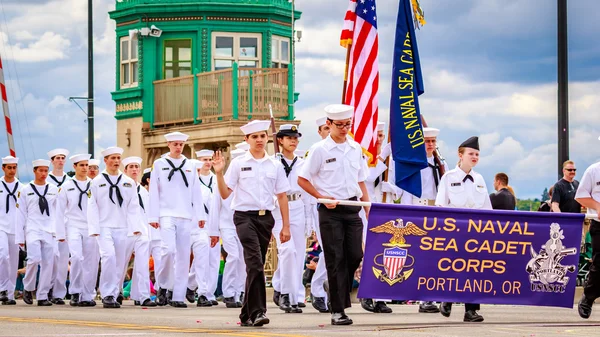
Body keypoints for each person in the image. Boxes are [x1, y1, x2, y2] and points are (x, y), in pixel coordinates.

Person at [213, 119, 291, 327]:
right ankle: (258, 312)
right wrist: (219, 173)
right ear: (246, 139)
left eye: (262, 136)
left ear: (267, 138)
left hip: (266, 218)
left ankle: (245, 313)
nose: (259, 140)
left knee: (254, 267)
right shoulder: (239, 163)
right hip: (243, 216)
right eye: (254, 136)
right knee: (255, 263)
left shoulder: (275, 164)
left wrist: (285, 226)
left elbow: (282, 196)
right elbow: (224, 193)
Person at [298, 104, 370, 326]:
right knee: (335, 258)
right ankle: (338, 310)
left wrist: (368, 208)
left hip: (352, 207)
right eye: (339, 125)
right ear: (328, 124)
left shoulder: (355, 148)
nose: (344, 129)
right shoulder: (320, 149)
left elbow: (361, 180)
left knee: (355, 255)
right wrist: (321, 197)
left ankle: (334, 287)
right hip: (330, 210)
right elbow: (302, 179)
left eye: (347, 124)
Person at [436, 136, 491, 322]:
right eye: (471, 153)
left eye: (477, 154)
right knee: (452, 267)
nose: (474, 157)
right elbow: (441, 206)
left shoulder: (480, 179)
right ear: (460, 155)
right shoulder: (448, 177)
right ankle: (446, 299)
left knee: (474, 270)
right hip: (454, 229)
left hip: (476, 231)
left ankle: (471, 310)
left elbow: (486, 208)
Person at [148, 132, 207, 308]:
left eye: (181, 144)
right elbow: (153, 190)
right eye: (175, 144)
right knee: (168, 250)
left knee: (183, 256)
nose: (178, 147)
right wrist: (153, 215)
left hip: (186, 214)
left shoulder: (189, 165)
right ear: (168, 145)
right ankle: (163, 286)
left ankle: (178, 295)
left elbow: (196, 191)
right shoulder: (159, 164)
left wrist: (200, 215)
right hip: (166, 213)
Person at [398, 126, 449, 314]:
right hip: (418, 211)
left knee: (434, 257)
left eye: (433, 141)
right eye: (427, 141)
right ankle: (421, 298)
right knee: (420, 256)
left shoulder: (441, 163)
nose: (430, 145)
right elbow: (407, 193)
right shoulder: (413, 164)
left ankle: (433, 297)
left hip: (436, 212)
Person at [88, 147, 143, 308]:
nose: (116, 161)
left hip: (123, 227)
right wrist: (94, 228)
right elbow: (92, 206)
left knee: (119, 262)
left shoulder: (128, 182)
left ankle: (113, 292)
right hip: (104, 227)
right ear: (106, 160)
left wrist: (135, 227)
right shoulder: (97, 181)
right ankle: (106, 294)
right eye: (113, 158)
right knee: (109, 258)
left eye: (118, 158)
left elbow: (133, 206)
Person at [271, 124, 312, 313]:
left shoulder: (303, 163)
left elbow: (307, 192)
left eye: (295, 138)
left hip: (297, 206)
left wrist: (308, 218)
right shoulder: (272, 162)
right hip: (278, 209)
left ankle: (291, 294)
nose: (293, 141)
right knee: (287, 251)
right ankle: (285, 293)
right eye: (289, 138)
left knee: (297, 255)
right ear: (280, 140)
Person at [55, 154, 99, 307]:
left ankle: (87, 294)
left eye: (87, 165)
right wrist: (60, 233)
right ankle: (75, 291)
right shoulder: (67, 186)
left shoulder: (94, 184)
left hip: (90, 226)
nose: (85, 168)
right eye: (82, 165)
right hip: (73, 225)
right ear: (74, 167)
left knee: (91, 262)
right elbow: (59, 211)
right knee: (77, 257)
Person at [359, 121, 393, 314]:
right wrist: (382, 157)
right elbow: (367, 177)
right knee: (368, 253)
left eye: (381, 136)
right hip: (365, 210)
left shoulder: (386, 161)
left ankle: (381, 297)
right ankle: (367, 294)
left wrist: (393, 189)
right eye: (376, 136)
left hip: (383, 209)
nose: (378, 140)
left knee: (385, 253)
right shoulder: (363, 155)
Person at [17, 159, 59, 306]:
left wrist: (58, 232)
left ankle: (42, 295)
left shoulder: (53, 189)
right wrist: (20, 236)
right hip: (32, 228)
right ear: (34, 171)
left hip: (49, 229)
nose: (43, 174)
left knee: (49, 262)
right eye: (40, 171)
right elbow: (21, 213)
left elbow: (57, 212)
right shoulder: (25, 189)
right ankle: (28, 287)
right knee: (34, 259)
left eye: (45, 171)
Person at [212, 148, 246, 309]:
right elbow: (215, 207)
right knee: (233, 256)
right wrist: (213, 232)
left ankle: (239, 291)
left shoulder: (249, 182)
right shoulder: (223, 181)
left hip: (244, 224)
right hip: (227, 225)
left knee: (243, 259)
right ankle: (229, 293)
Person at [121, 156, 156, 307]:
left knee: (142, 265)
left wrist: (149, 232)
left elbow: (147, 212)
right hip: (125, 230)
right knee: (121, 264)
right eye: (131, 167)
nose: (134, 170)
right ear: (125, 170)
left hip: (142, 231)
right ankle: (115, 292)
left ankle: (142, 295)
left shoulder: (143, 191)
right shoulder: (121, 187)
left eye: (136, 167)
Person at [188, 151, 219, 307]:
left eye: (209, 160)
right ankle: (188, 287)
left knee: (210, 260)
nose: (207, 163)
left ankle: (206, 293)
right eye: (204, 160)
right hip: (188, 227)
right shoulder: (185, 186)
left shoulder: (216, 180)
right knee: (199, 260)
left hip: (207, 226)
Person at [307, 116, 331, 313]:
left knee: (346, 253)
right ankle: (317, 289)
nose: (329, 131)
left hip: (344, 208)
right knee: (329, 250)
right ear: (320, 131)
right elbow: (306, 184)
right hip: (320, 207)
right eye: (325, 128)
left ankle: (327, 288)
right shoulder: (315, 151)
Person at [575, 153, 600, 319]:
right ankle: (588, 297)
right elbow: (581, 196)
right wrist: (598, 206)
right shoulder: (594, 170)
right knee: (599, 264)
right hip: (599, 223)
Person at [46, 148, 70, 305]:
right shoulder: (46, 179)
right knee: (50, 258)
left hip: (67, 223)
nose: (60, 160)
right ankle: (47, 287)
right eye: (57, 158)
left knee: (63, 260)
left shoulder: (70, 180)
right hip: (50, 223)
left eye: (62, 158)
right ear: (52, 161)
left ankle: (59, 292)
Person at [0, 156, 22, 305]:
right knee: (3, 256)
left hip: (15, 228)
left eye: (14, 167)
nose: (12, 170)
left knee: (14, 262)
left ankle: (10, 294)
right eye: (9, 167)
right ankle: (2, 288)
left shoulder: (22, 187)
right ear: (3, 168)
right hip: (1, 226)